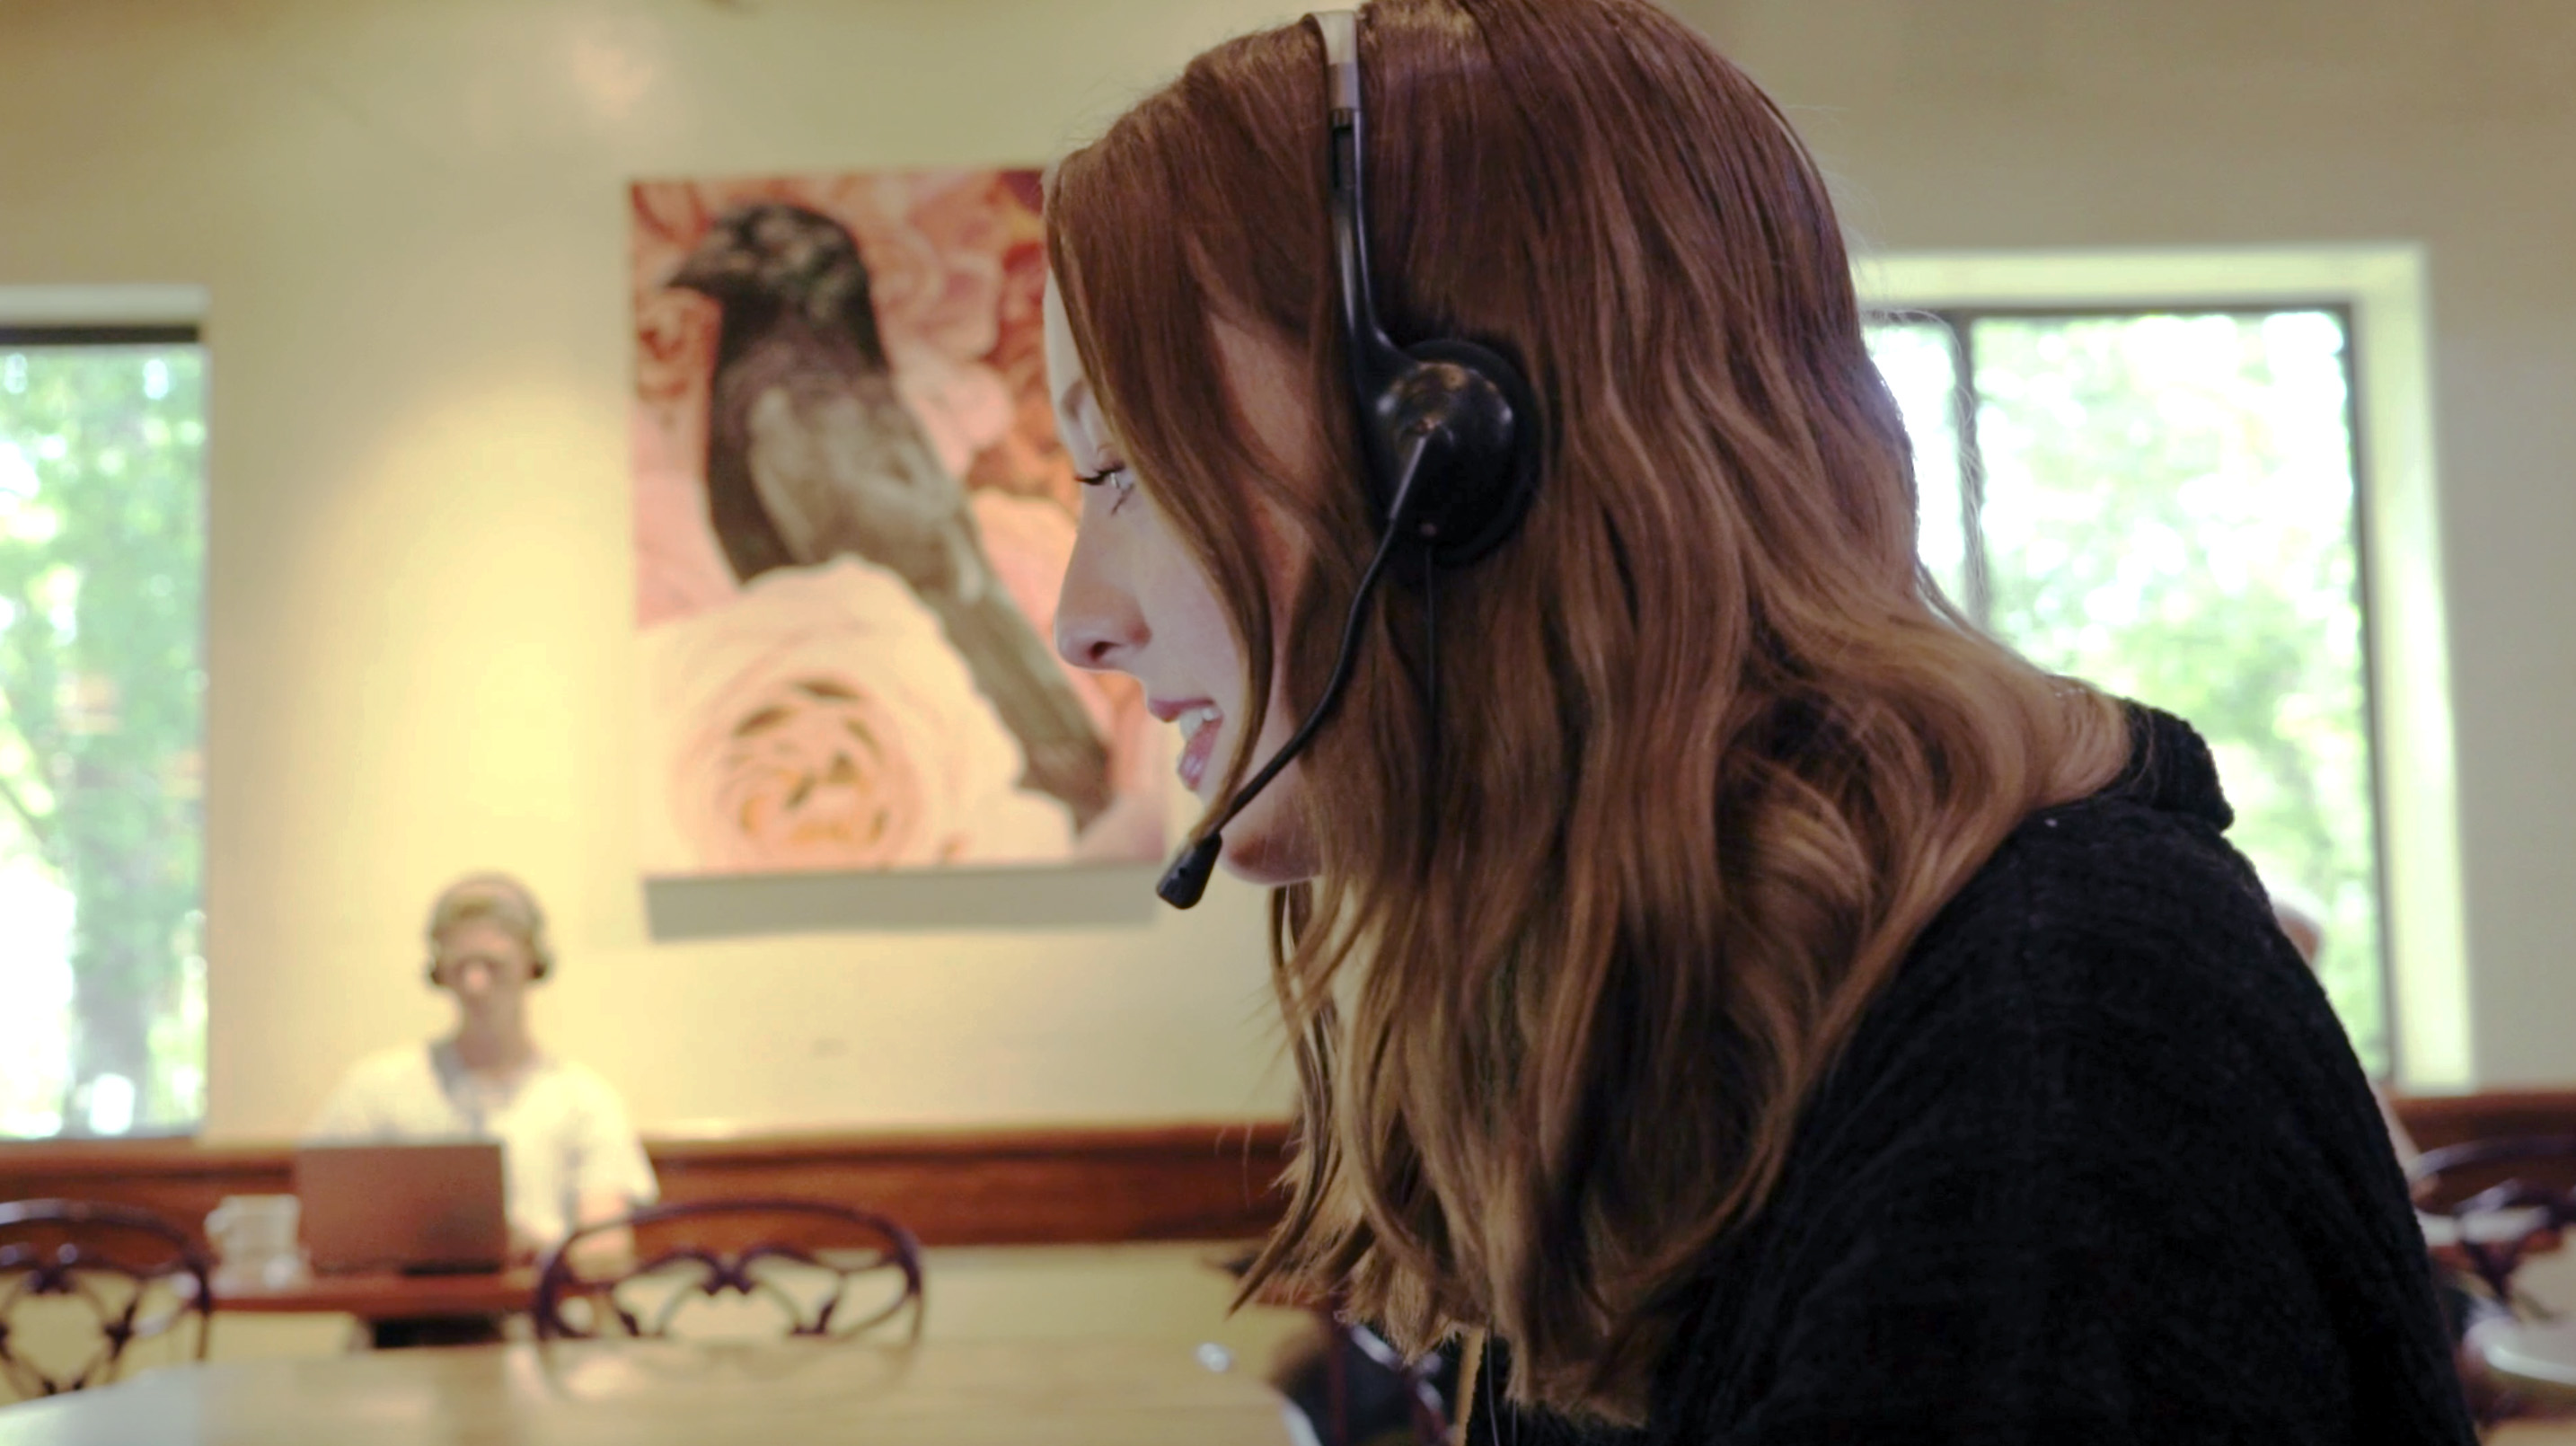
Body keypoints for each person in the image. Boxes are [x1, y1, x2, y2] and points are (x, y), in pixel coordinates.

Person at [1041, 1, 2478, 1440]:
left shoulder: (2052, 1053)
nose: (1081, 616)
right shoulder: (1698, 1052)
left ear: (1447, 457)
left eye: (1129, 469)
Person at [307, 873, 657, 1345]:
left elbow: (608, 1250)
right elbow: (320, 1219)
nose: (475, 984)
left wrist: (533, 1248)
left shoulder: (583, 1099)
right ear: (438, 971)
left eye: (493, 965)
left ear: (533, 964)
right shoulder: (376, 1088)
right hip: (398, 1343)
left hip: (533, 1335)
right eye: (461, 966)